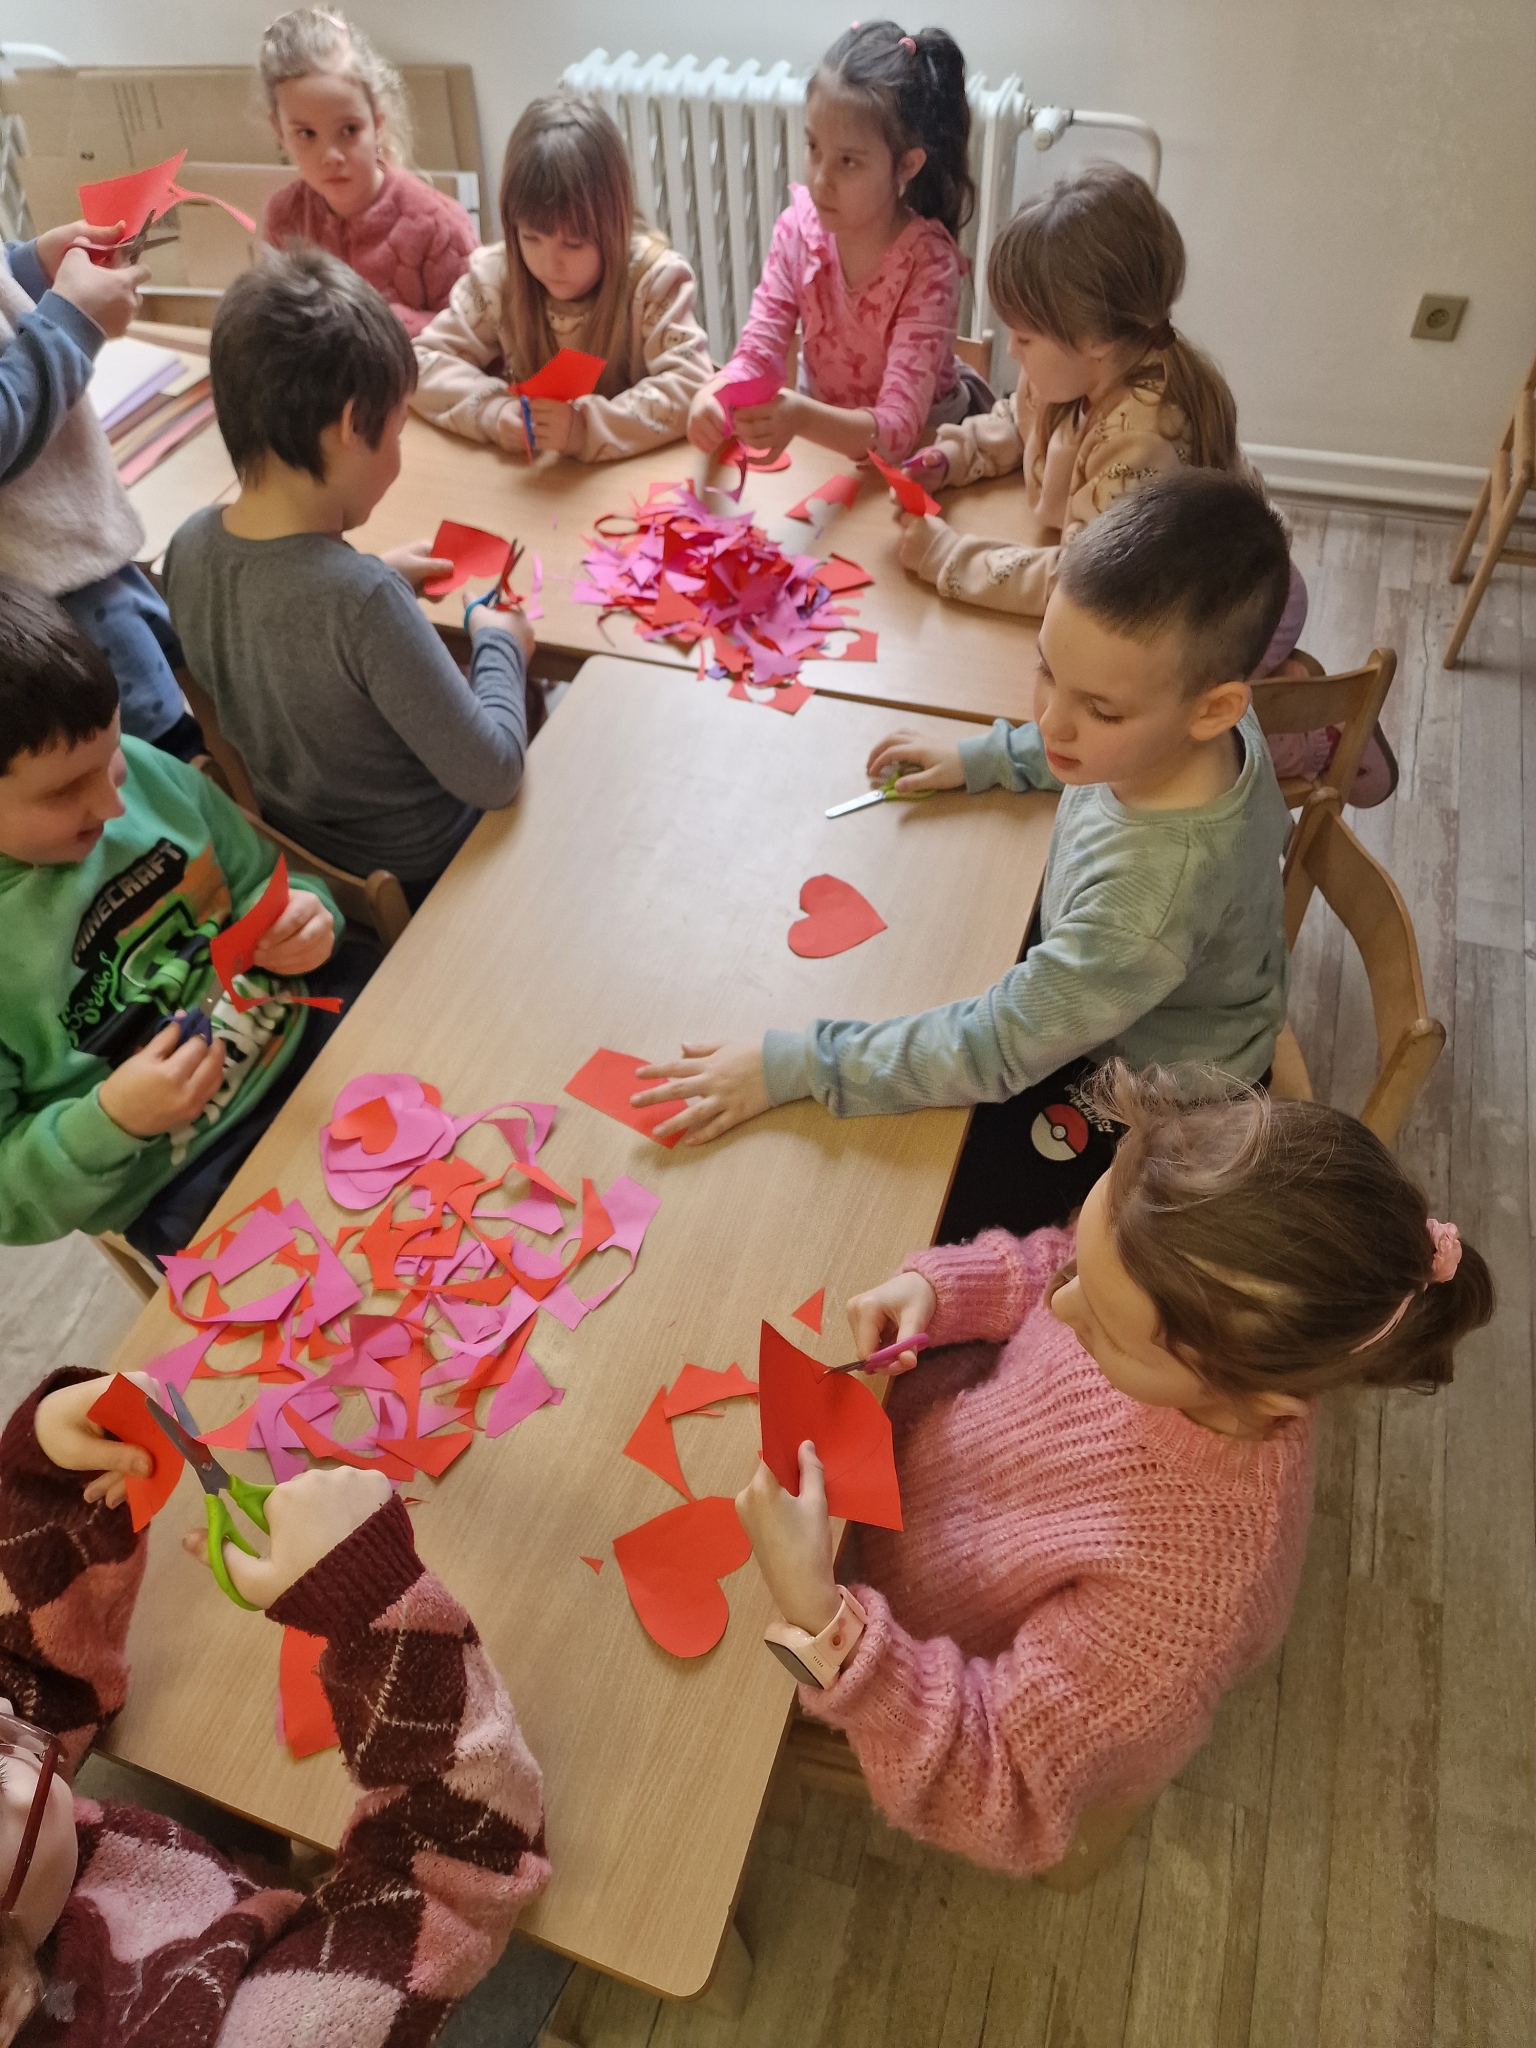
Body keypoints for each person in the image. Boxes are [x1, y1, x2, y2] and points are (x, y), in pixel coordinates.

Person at [735, 1064, 1494, 1875]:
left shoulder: (1189, 1598)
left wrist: (830, 1629)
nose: (1060, 1309)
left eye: (1103, 1328)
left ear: (1256, 1395)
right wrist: (943, 1290)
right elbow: (1061, 1264)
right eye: (1084, 1279)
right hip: (881, 1481)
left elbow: (1001, 1788)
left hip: (889, 1643)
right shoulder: (1159, 1285)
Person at [634, 473, 1295, 1242]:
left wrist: (803, 1066)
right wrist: (986, 758)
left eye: (1098, 709)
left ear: (1214, 709)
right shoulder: (1188, 734)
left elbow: (993, 1049)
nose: (1052, 720)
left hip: (1162, 1096)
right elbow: (1083, 738)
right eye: (1048, 670)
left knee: (935, 1209)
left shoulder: (1147, 901)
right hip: (1122, 991)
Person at [0, 1367, 548, 2042]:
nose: (6, 1713)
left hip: (188, 1885)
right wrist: (376, 1603)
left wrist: (49, 1487)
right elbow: (460, 1873)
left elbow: (30, 1683)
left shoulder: (22, 1864)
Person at [897, 164, 1394, 804]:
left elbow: (1077, 584)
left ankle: (1311, 733)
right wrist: (954, 455)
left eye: (1022, 337)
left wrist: (947, 557)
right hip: (1165, 592)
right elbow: (1020, 421)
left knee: (1167, 742)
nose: (1011, 352)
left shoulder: (1145, 437)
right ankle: (1285, 687)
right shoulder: (1073, 369)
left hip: (1232, 605)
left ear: (1093, 342)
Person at [0, 577, 373, 1260]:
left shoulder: (145, 773)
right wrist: (109, 1122)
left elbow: (266, 881)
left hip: (315, 1024)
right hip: (184, 1174)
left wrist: (306, 914)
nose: (113, 806)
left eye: (111, 754)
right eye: (65, 791)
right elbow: (9, 1197)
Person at [165, 248, 531, 903]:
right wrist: (502, 644)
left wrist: (377, 572)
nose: (398, 456)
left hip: (310, 862)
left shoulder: (188, 548)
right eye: (396, 432)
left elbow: (285, 605)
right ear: (348, 427)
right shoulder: (362, 604)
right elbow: (495, 774)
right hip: (434, 875)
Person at [687, 21, 984, 467]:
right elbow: (758, 352)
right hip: (828, 454)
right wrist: (716, 394)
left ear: (906, 165)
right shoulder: (796, 231)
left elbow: (900, 429)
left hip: (926, 457)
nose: (821, 180)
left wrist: (802, 417)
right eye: (813, 147)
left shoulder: (930, 266)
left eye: (848, 161)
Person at [411, 93, 713, 463]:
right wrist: (492, 411)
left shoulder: (654, 281)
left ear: (613, 228)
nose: (550, 263)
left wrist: (584, 428)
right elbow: (419, 363)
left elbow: (692, 385)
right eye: (531, 238)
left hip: (631, 479)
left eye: (573, 243)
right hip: (536, 485)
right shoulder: (496, 278)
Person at [0, 218, 198, 758]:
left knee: (188, 690)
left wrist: (28, 268)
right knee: (161, 756)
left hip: (83, 551)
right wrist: (73, 322)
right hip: (46, 599)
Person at [258, 7, 477, 337]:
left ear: (377, 122)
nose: (330, 156)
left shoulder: (439, 226)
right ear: (280, 132)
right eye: (306, 134)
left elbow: (478, 338)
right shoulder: (283, 218)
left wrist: (380, 324)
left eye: (349, 130)